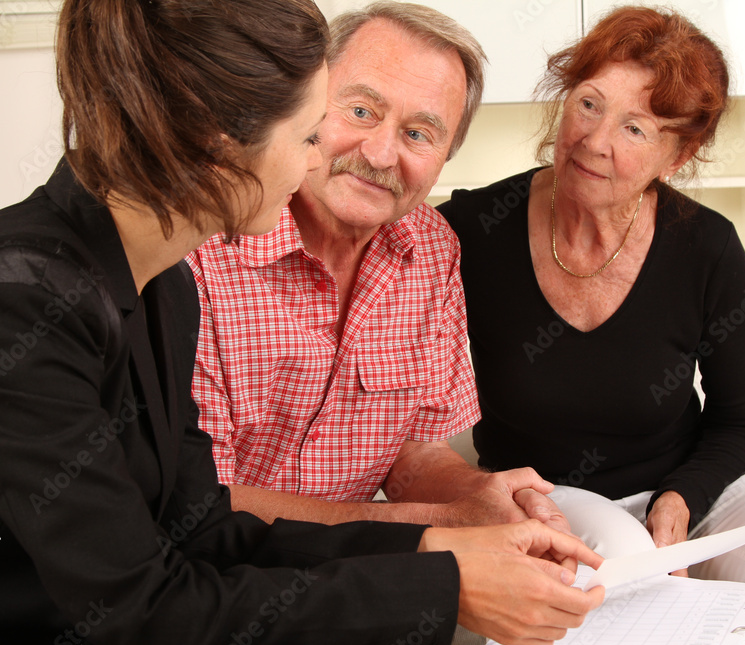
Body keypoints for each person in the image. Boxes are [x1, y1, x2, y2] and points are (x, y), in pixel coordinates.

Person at [0, 1, 603, 645]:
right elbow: (139, 615)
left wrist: (437, 550)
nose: (318, 162)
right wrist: (441, 578)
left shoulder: (159, 286)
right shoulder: (14, 300)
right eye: (311, 133)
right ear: (221, 138)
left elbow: (203, 530)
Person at [437, 6, 745, 592]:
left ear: (677, 157)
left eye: (634, 128)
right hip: (551, 493)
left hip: (683, 483)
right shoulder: (473, 227)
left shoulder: (705, 246)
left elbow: (740, 423)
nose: (594, 140)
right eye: (588, 103)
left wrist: (681, 497)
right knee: (618, 563)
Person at [187, 1, 567, 532]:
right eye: (362, 111)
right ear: (308, 104)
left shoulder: (433, 249)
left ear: (445, 156)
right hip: (218, 580)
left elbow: (415, 449)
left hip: (369, 575)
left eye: (419, 134)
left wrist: (484, 494)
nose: (383, 154)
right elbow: (199, 500)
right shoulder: (205, 242)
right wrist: (439, 523)